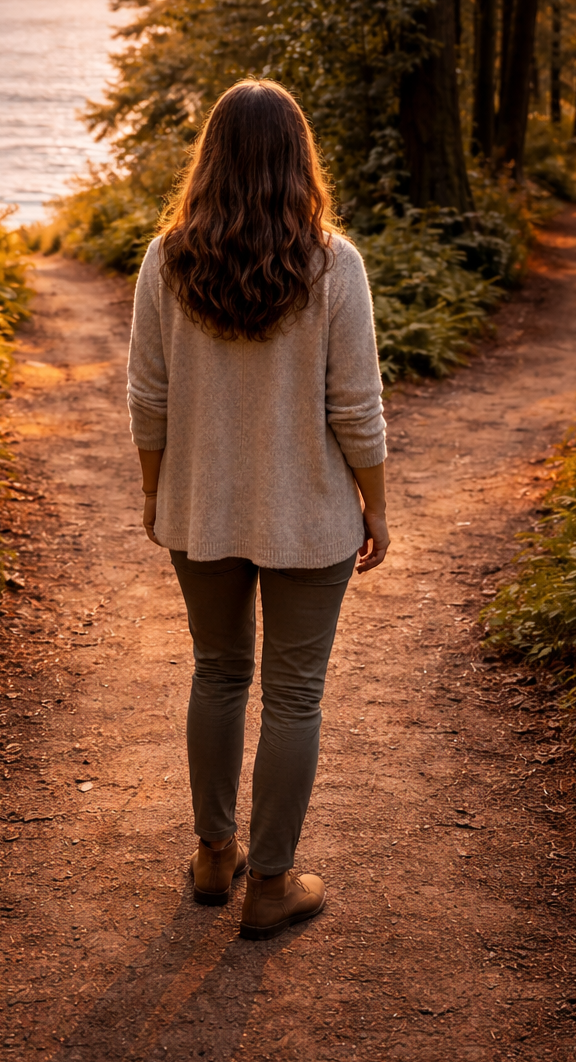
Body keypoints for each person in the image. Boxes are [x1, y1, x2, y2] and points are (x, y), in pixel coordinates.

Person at [126, 79, 388, 941]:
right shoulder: (332, 264)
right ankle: (269, 884)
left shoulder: (168, 260)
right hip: (309, 517)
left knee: (218, 672)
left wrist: (158, 490)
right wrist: (375, 507)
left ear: (211, 158)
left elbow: (148, 400)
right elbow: (357, 406)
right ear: (298, 158)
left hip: (201, 512)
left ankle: (212, 854)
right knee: (294, 696)